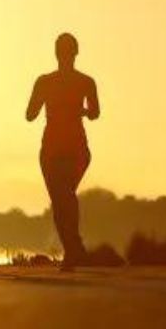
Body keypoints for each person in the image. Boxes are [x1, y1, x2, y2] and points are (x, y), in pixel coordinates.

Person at [25, 33, 100, 269]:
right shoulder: (82, 82)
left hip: (70, 147)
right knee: (61, 198)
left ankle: (73, 249)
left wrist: (68, 109)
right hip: (59, 148)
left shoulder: (51, 81)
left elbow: (30, 115)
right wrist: (81, 111)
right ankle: (73, 250)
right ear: (74, 53)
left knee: (62, 196)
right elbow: (95, 112)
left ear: (57, 53)